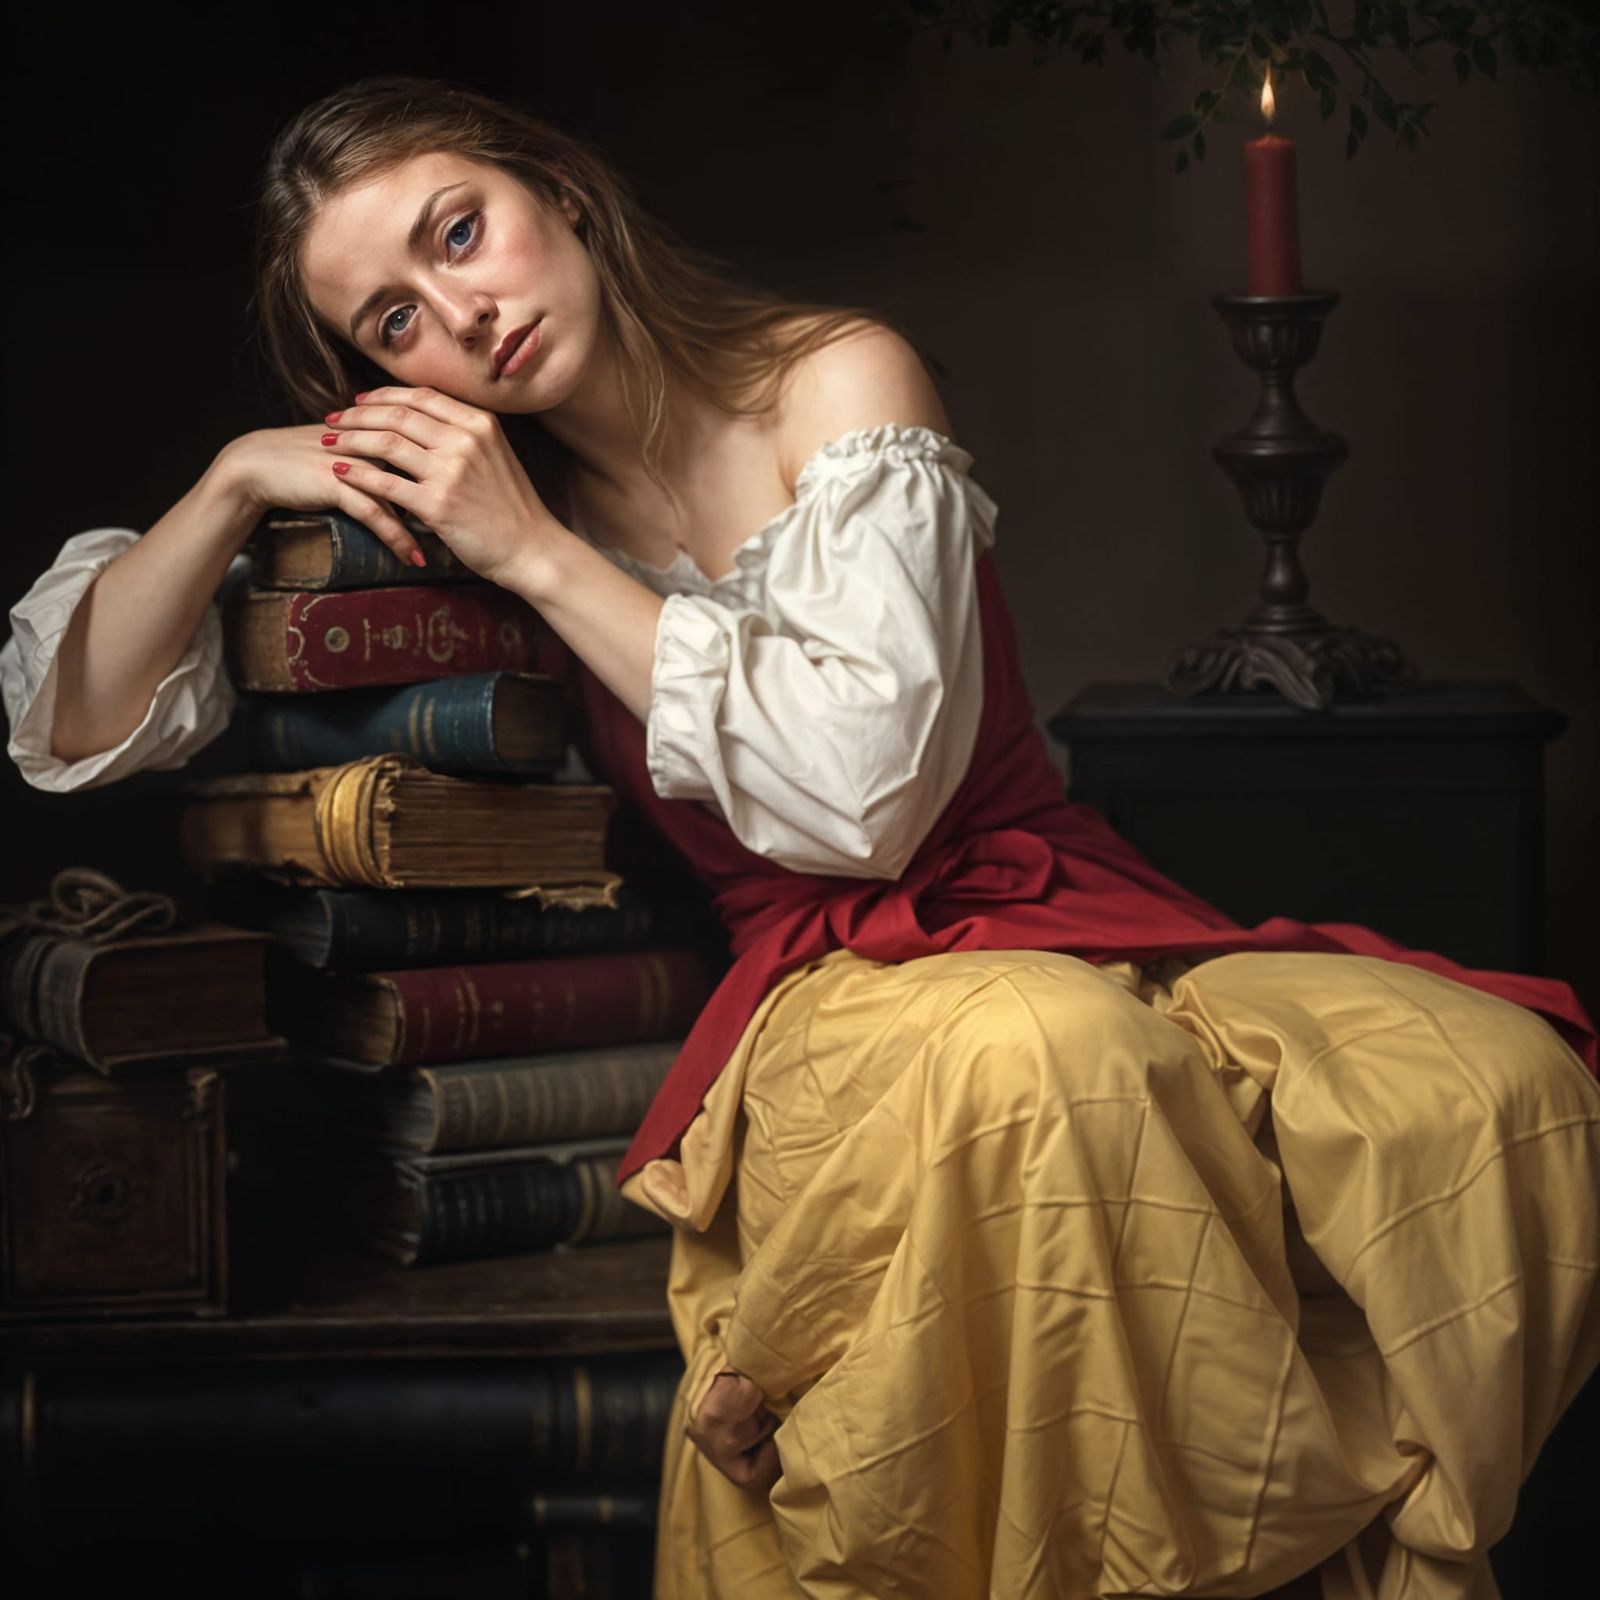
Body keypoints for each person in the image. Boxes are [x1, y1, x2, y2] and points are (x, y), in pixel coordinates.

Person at [4, 74, 1598, 1600]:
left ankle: (1333, 1544)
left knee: (1490, 1092)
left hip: (1059, 899)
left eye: (459, 229)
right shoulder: (474, 494)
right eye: (397, 321)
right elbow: (67, 725)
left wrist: (546, 560)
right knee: (1049, 1066)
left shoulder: (835, 379)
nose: (465, 312)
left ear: (557, 189)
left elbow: (869, 792)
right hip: (826, 987)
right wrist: (223, 489)